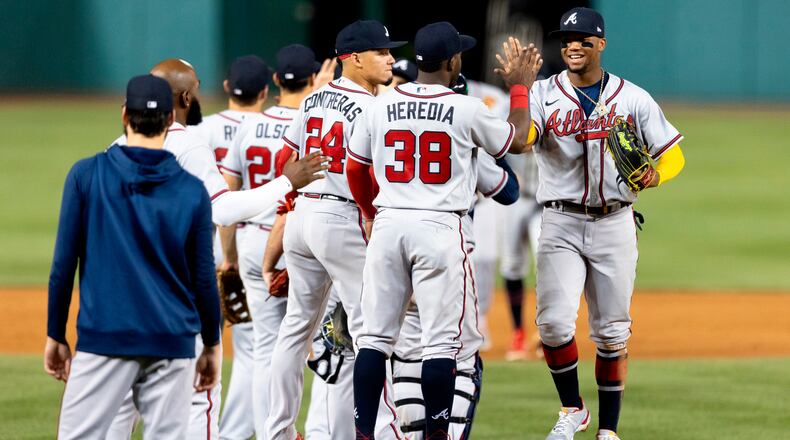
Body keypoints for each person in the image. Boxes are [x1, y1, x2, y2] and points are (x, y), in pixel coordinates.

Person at [106, 58, 326, 440]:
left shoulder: (113, 150)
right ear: (187, 96)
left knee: (120, 408)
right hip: (175, 296)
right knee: (197, 401)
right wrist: (285, 183)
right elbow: (222, 208)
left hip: (121, 301)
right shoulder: (188, 143)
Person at [346, 22, 541, 439]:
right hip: (439, 228)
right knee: (440, 346)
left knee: (374, 341)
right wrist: (521, 87)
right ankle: (436, 435)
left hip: (388, 223)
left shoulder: (379, 104)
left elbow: (356, 168)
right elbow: (521, 140)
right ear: (453, 62)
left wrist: (366, 212)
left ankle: (364, 432)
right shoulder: (466, 108)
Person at [526, 8, 685, 440]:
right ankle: (572, 408)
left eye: (582, 39)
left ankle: (609, 431)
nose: (572, 46)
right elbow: (523, 141)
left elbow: (673, 153)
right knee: (554, 325)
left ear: (601, 44)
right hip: (559, 220)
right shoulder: (542, 93)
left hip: (615, 222)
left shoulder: (633, 97)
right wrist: (518, 91)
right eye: (566, 39)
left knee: (612, 333)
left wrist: (656, 174)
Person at [45, 74, 222, 439]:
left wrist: (55, 335)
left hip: (104, 337)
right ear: (171, 121)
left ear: (124, 116)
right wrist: (211, 344)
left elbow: (63, 267)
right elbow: (204, 277)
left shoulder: (85, 175)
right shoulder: (192, 191)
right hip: (173, 340)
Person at [263, 20, 406, 440]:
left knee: (295, 329)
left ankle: (278, 431)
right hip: (343, 218)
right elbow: (374, 173)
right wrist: (365, 215)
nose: (391, 59)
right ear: (355, 58)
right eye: (382, 53)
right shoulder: (375, 106)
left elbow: (284, 161)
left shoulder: (312, 100)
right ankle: (383, 430)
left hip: (303, 217)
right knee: (370, 330)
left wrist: (294, 214)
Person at [391, 73, 521, 439]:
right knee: (458, 357)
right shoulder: (466, 148)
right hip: (445, 253)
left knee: (404, 355)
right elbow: (510, 191)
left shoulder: (389, 124)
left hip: (393, 252)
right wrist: (489, 149)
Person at [219, 44, 321, 439]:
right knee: (315, 344)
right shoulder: (316, 125)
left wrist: (228, 258)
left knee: (265, 348)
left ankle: (268, 433)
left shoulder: (248, 127)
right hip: (301, 242)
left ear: (275, 81)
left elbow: (230, 195)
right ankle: (317, 429)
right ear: (314, 79)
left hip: (250, 243)